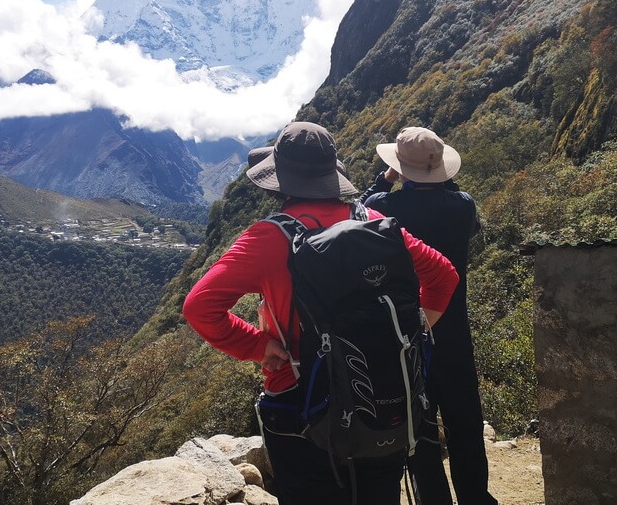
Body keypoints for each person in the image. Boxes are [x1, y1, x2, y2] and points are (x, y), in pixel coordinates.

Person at [184, 121, 459, 505]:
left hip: (299, 404)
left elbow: (199, 306)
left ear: (280, 179)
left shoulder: (270, 238)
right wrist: (413, 331)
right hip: (382, 398)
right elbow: (444, 276)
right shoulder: (375, 224)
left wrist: (257, 344)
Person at [361, 127, 498, 505]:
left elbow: (359, 212)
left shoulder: (385, 210)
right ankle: (476, 498)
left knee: (420, 431)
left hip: (409, 334)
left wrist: (386, 178)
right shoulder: (463, 206)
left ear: (400, 167)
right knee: (466, 424)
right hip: (454, 331)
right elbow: (456, 198)